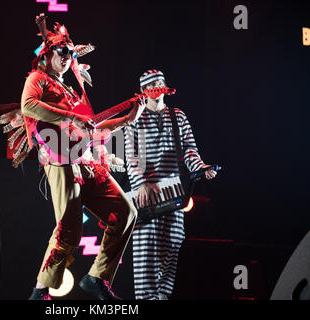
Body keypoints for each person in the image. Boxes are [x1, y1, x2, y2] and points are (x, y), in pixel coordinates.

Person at [15, 14, 145, 300]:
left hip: (86, 161)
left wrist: (127, 118)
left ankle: (97, 278)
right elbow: (28, 106)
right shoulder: (38, 79)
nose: (68, 56)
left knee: (125, 213)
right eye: (63, 51)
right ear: (48, 53)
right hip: (60, 161)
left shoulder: (72, 92)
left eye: (71, 53)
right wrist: (71, 117)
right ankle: (40, 291)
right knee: (68, 231)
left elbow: (92, 128)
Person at [123, 69, 217, 300]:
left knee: (171, 255)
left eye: (160, 82)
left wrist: (201, 168)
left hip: (174, 194)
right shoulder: (137, 117)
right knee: (146, 262)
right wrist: (142, 183)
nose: (157, 86)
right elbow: (133, 157)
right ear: (144, 90)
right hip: (146, 197)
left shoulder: (178, 116)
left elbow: (189, 150)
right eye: (152, 83)